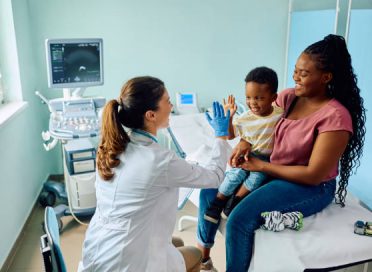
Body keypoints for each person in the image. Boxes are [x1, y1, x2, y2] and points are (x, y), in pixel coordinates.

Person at [197, 34, 366, 272]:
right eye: (296, 70)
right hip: (273, 171)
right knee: (209, 193)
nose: (295, 77)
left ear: (326, 78)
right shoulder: (289, 97)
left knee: (239, 220)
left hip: (309, 185)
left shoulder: (336, 118)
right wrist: (245, 142)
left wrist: (261, 166)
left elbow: (314, 175)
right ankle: (204, 259)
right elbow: (260, 122)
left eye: (304, 73)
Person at [78, 76, 232, 272]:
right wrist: (221, 136)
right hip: (127, 262)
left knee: (175, 242)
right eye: (167, 101)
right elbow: (215, 177)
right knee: (195, 255)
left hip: (99, 251)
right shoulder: (159, 160)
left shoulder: (113, 147)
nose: (171, 105)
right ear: (151, 115)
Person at [204, 67, 283, 224]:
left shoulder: (280, 114)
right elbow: (230, 135)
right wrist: (230, 117)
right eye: (248, 97)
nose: (252, 103)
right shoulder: (245, 118)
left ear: (273, 97)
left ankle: (235, 200)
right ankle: (218, 201)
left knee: (257, 178)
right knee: (235, 175)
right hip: (248, 154)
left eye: (259, 98)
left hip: (265, 159)